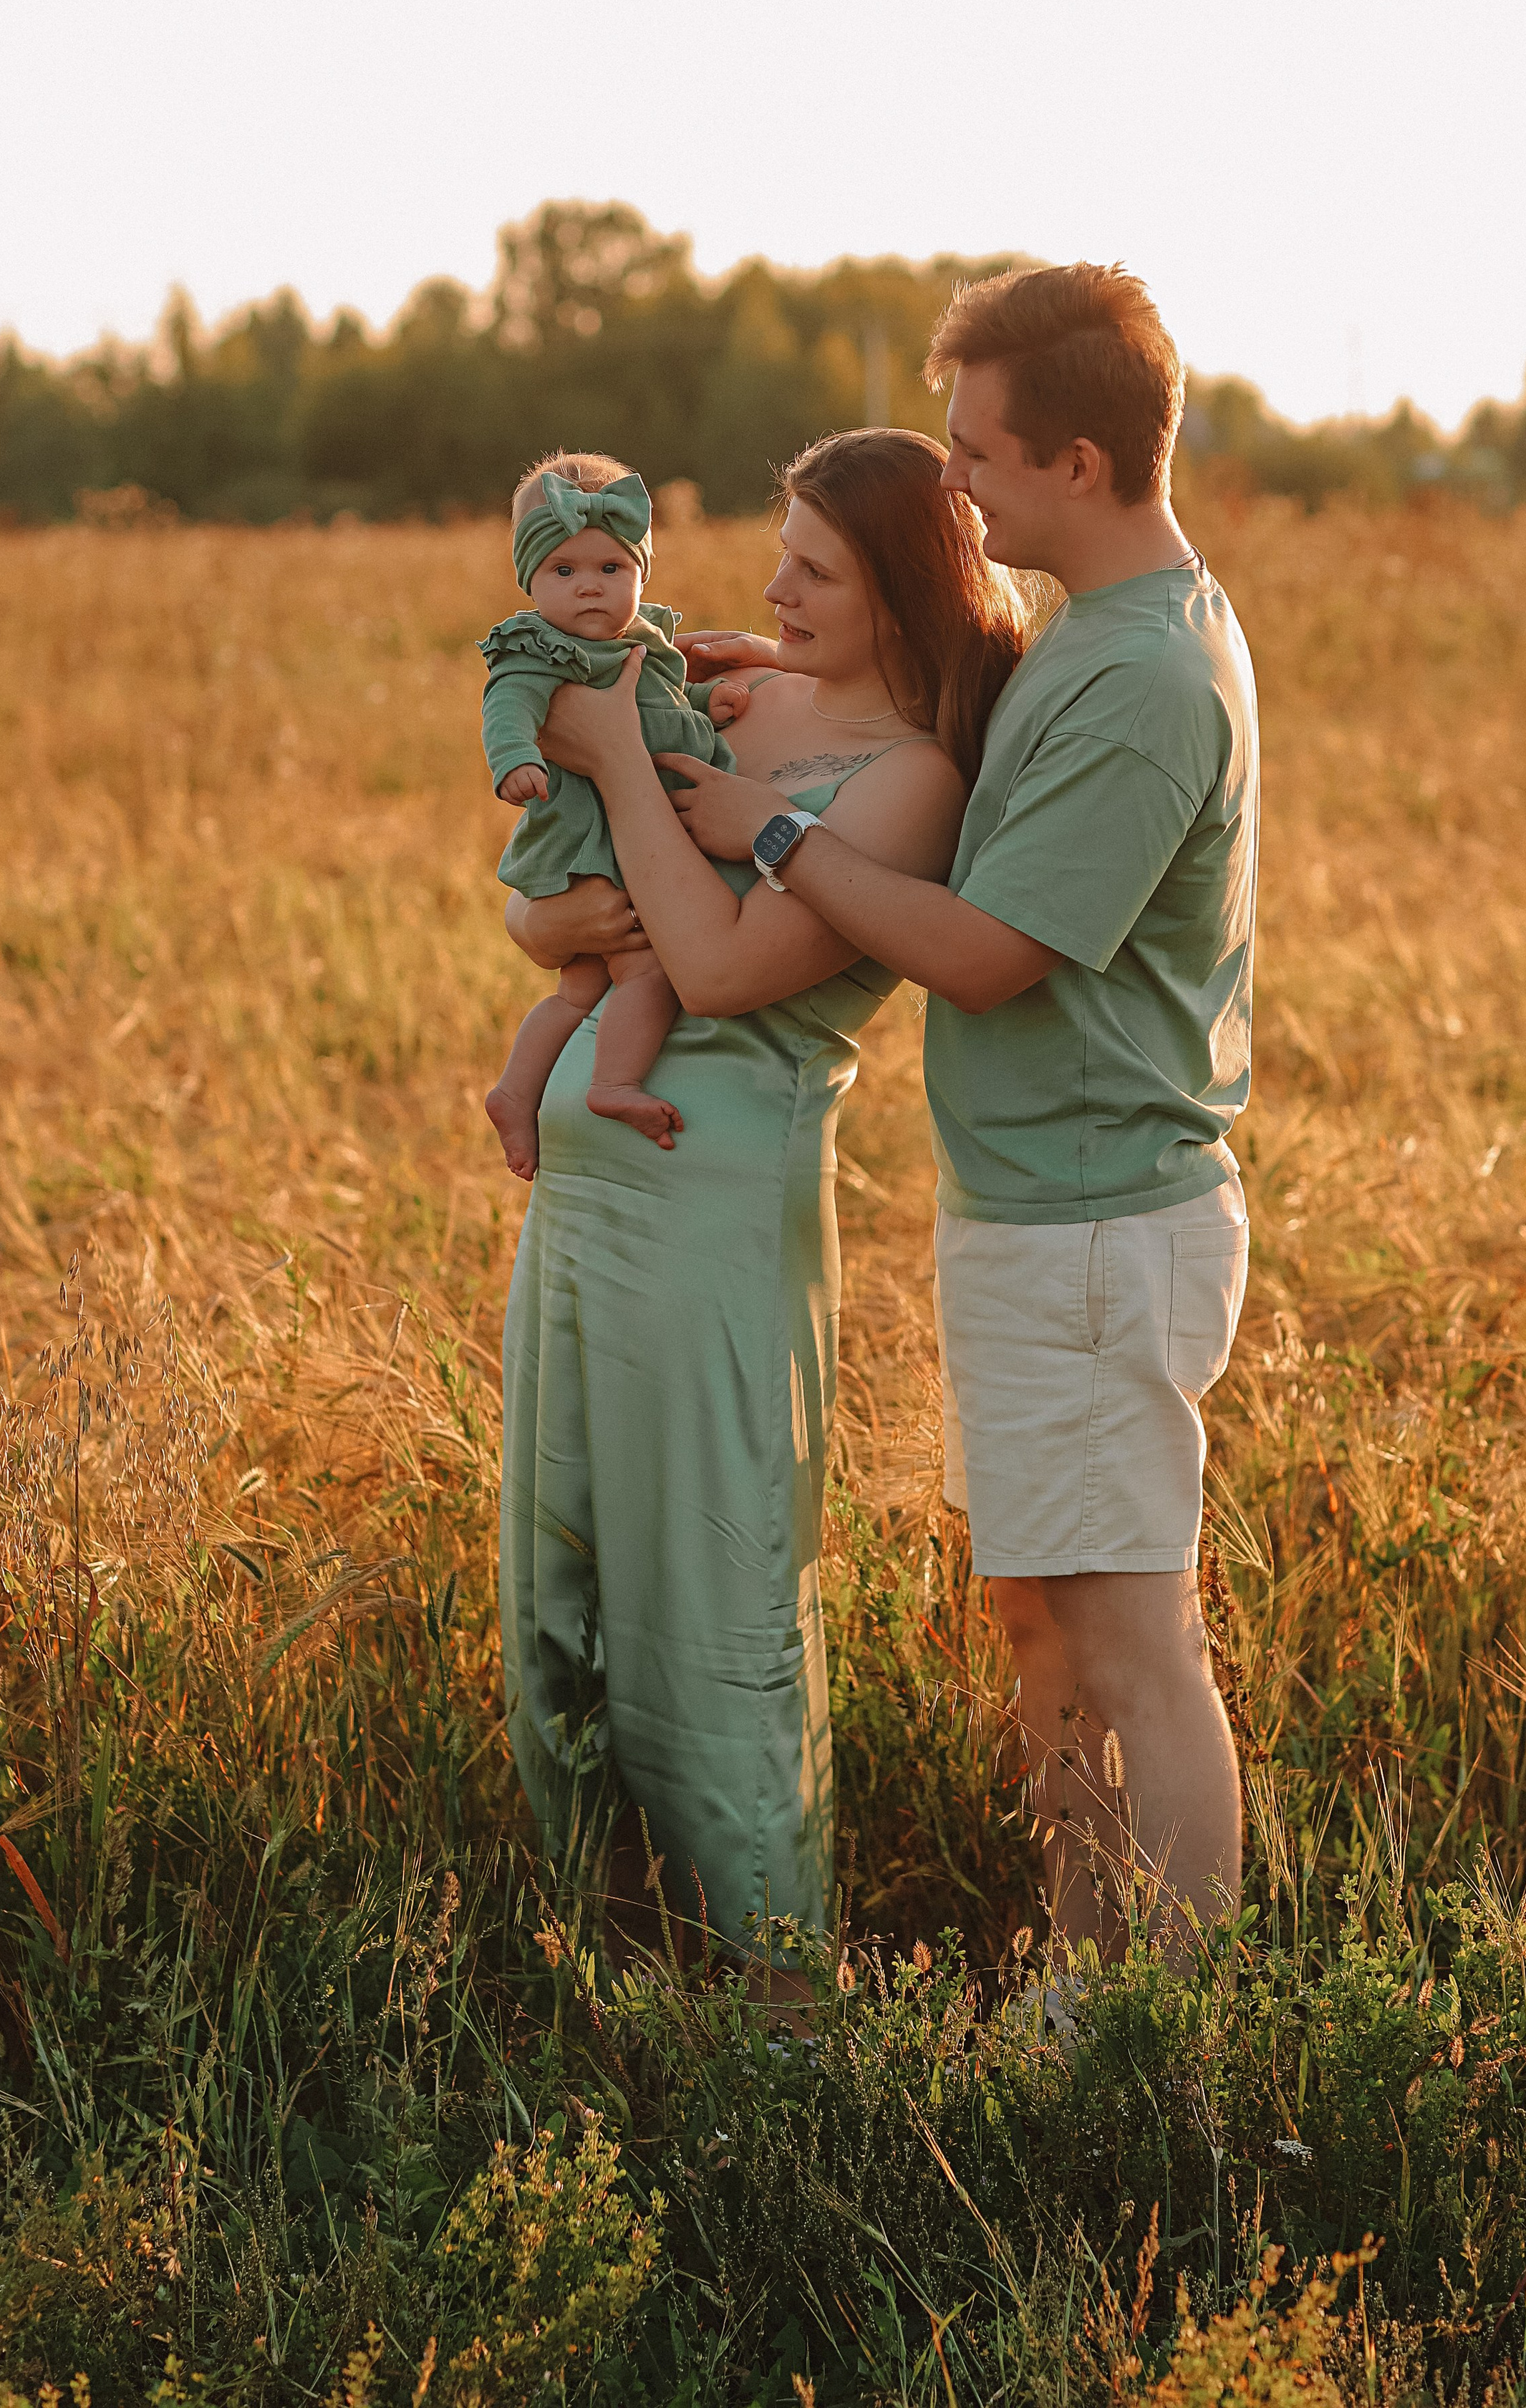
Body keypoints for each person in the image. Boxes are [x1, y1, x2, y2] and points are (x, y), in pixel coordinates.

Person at [663, 264, 1259, 1965]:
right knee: (1046, 1633)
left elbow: (987, 954)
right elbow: (954, 753)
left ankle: (1155, 2023)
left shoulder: (1147, 675)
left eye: (978, 454)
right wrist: (784, 702)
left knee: (1133, 1642)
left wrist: (764, 834)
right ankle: (1081, 1981)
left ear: (1076, 460)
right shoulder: (1102, 635)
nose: (954, 486)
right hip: (1044, 1209)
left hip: (1092, 1220)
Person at [497, 427, 1028, 1966]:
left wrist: (607, 757)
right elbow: (563, 898)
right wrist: (551, 917)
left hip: (713, 1215)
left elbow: (720, 967)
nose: (773, 585)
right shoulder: (733, 690)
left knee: (706, 1594)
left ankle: (767, 2000)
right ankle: (593, 1957)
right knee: (563, 1579)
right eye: (777, 551)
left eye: (814, 568)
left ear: (898, 594)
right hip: (586, 1209)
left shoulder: (910, 782)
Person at [479, 453, 755, 1171]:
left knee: (579, 989)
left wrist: (705, 704)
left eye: (611, 570)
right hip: (585, 840)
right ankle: (613, 1082)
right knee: (648, 972)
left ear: (641, 574)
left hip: (633, 835)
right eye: (564, 572)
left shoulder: (647, 645)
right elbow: (507, 705)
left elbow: (661, 709)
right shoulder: (539, 648)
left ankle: (515, 1090)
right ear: (530, 580)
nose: (590, 589)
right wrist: (514, 759)